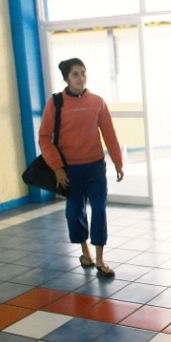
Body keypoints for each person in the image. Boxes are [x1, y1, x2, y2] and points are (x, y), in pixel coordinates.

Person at [39, 58, 124, 278]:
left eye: (83, 73)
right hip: (70, 171)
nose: (81, 77)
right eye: (75, 74)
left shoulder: (97, 102)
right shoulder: (56, 103)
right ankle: (85, 252)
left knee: (99, 210)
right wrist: (57, 168)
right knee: (75, 212)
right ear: (67, 78)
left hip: (95, 168)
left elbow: (109, 134)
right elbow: (44, 138)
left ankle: (100, 259)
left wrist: (118, 161)